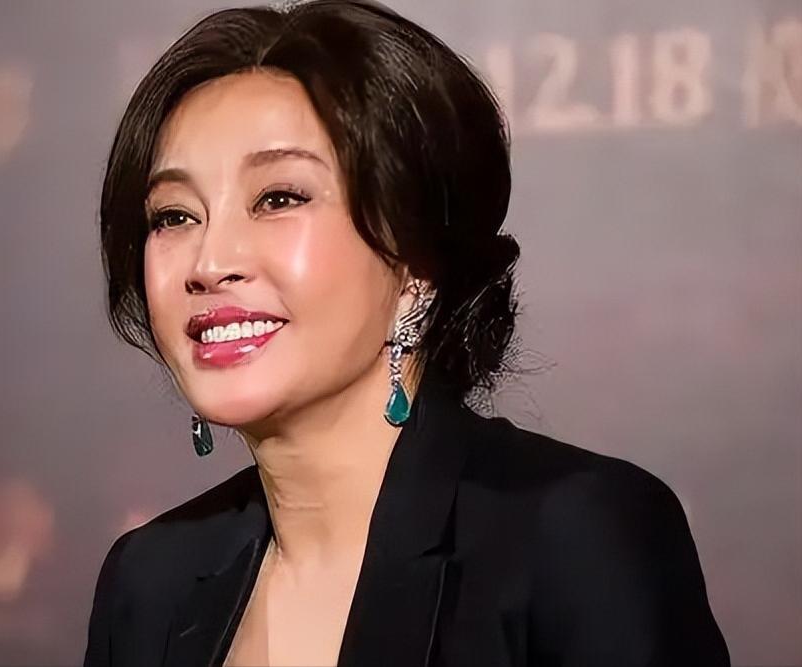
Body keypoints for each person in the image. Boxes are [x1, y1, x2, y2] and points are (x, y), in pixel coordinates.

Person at [84, 1, 731, 665]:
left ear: (416, 264)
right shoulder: (149, 585)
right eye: (174, 215)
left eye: (278, 198)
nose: (210, 262)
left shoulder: (572, 536)